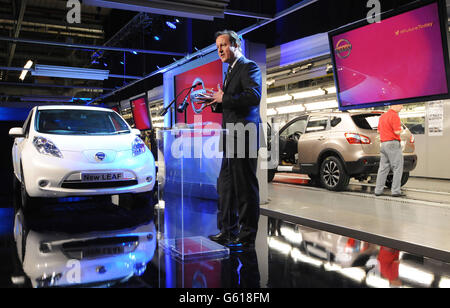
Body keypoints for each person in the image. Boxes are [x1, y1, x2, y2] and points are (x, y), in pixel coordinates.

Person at [203, 30, 262, 248]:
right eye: (217, 46)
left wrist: (224, 97)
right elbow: (232, 103)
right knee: (225, 186)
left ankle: (246, 236)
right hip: (230, 136)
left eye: (223, 45)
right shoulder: (230, 71)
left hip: (244, 135)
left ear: (236, 45)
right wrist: (216, 102)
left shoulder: (249, 66)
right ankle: (227, 231)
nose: (219, 50)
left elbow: (253, 96)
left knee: (245, 188)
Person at [374, 104, 405, 197]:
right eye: (400, 105)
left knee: (383, 168)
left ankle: (378, 190)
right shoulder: (394, 116)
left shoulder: (382, 116)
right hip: (392, 143)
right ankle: (396, 191)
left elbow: (378, 131)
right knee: (397, 167)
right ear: (394, 105)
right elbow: (397, 132)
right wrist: (402, 130)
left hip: (383, 144)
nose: (402, 107)